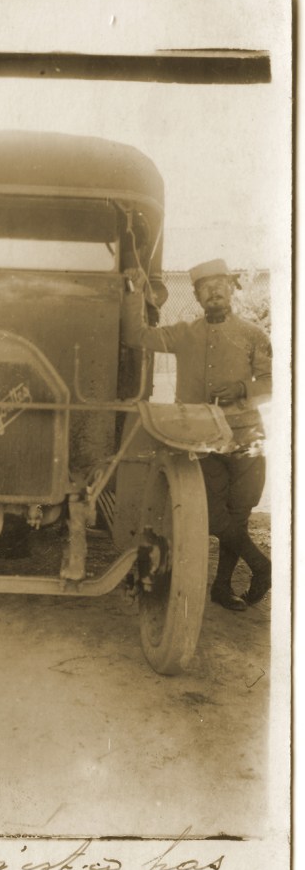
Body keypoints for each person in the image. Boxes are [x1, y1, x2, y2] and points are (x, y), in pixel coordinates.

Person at [121, 258, 272, 611]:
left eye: (220, 283)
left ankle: (222, 587)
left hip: (247, 437)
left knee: (240, 513)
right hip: (198, 437)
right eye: (205, 287)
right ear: (197, 296)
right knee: (214, 513)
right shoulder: (184, 333)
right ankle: (262, 565)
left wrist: (241, 388)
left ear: (232, 288)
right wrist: (134, 291)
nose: (214, 291)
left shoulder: (253, 335)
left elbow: (275, 382)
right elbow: (135, 336)